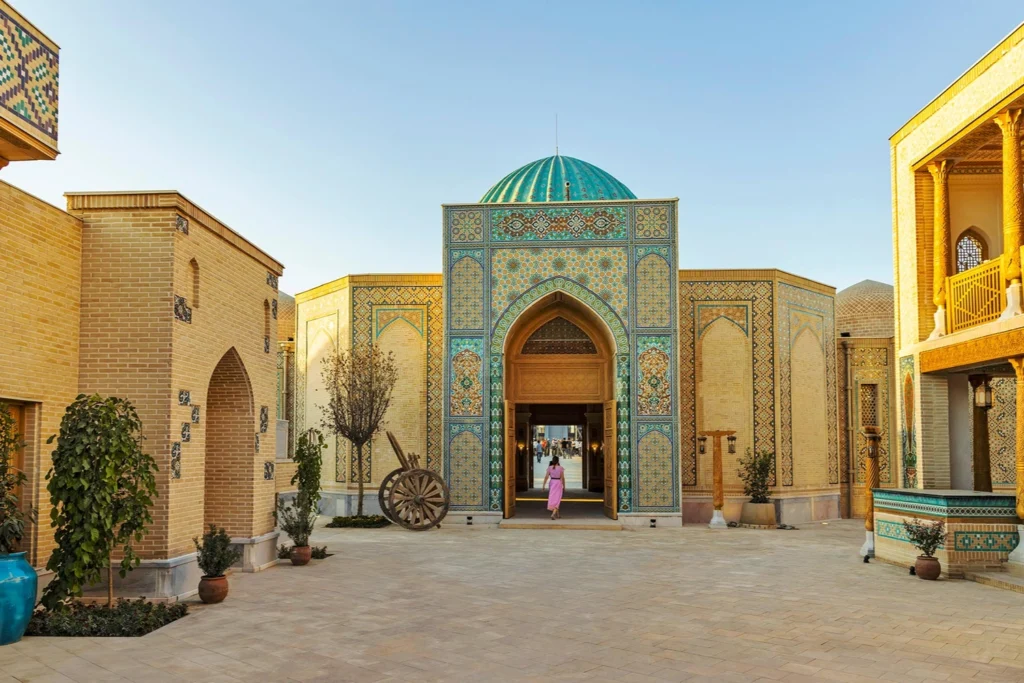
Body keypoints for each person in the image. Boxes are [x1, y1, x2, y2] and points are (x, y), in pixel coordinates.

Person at [542, 456, 564, 520]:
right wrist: (564, 486)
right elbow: (562, 478)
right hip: (558, 483)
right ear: (558, 461)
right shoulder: (560, 468)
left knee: (553, 497)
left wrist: (543, 485)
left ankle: (558, 514)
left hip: (552, 482)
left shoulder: (549, 468)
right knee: (557, 498)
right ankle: (553, 514)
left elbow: (546, 477)